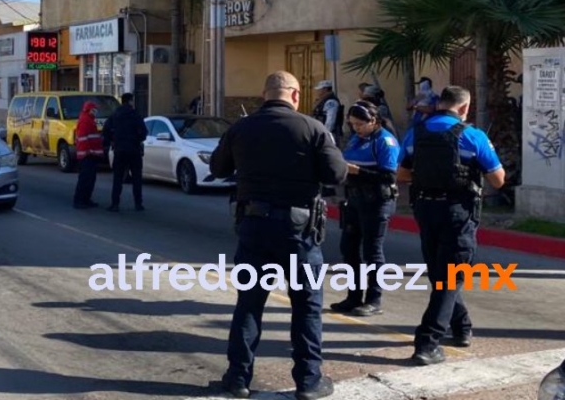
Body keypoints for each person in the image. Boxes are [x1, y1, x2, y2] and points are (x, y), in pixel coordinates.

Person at [209, 71, 347, 400]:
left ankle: (238, 379)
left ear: (265, 94)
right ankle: (309, 382)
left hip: (254, 226)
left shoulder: (240, 128)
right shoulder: (314, 129)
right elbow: (336, 173)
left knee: (250, 305)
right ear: (296, 96)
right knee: (306, 307)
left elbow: (218, 168)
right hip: (299, 231)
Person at [398, 86, 505, 366]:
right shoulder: (472, 136)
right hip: (457, 213)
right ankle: (428, 342)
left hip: (425, 209)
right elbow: (498, 179)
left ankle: (461, 327)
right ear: (464, 108)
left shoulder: (416, 133)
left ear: (440, 104)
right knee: (452, 275)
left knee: (441, 274)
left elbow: (401, 172)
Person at [331, 101, 400, 317]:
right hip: (354, 200)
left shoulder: (384, 141)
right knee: (349, 248)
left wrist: (358, 171)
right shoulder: (356, 139)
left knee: (372, 251)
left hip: (376, 201)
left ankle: (374, 299)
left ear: (373, 121)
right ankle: (353, 296)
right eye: (353, 124)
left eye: (360, 124)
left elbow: (389, 176)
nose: (356, 128)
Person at [102, 92, 147, 212]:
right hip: (134, 150)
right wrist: (137, 139)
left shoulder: (115, 115)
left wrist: (113, 140)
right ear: (130, 101)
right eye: (132, 100)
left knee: (118, 178)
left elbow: (105, 131)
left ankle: (115, 204)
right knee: (136, 178)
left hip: (120, 150)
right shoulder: (135, 115)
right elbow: (144, 133)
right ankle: (138, 204)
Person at [72, 101, 104, 209]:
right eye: (94, 109)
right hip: (87, 156)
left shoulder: (89, 120)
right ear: (89, 109)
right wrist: (88, 151)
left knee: (90, 179)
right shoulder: (85, 121)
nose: (96, 111)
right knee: (85, 180)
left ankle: (85, 199)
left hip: (90, 155)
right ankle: (79, 200)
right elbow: (83, 139)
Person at [312, 80, 344, 146]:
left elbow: (330, 121)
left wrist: (324, 134)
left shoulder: (331, 102)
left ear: (325, 89)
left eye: (320, 89)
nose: (318, 92)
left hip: (329, 134)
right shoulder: (323, 100)